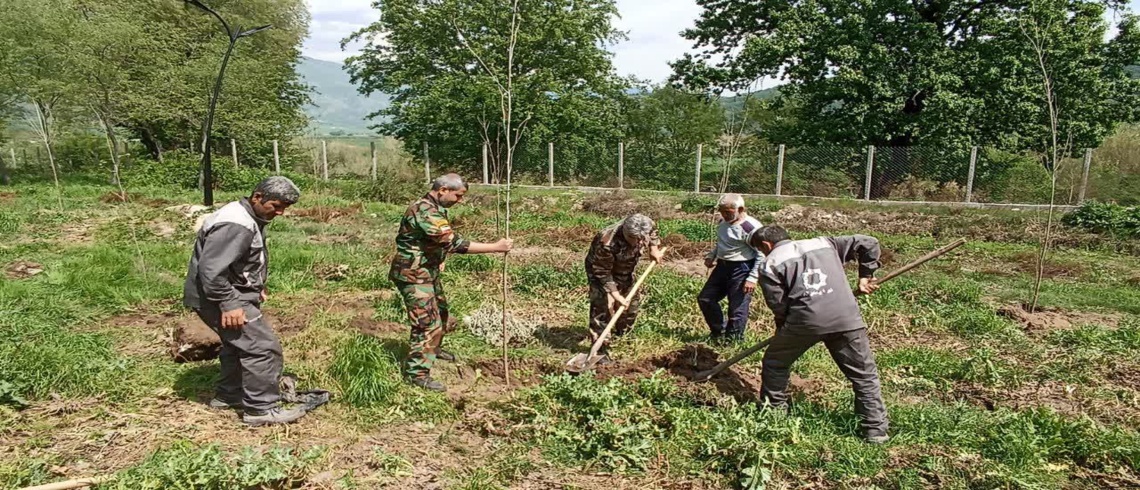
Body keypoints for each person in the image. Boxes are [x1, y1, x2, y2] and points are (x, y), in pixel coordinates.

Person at [183, 176, 306, 426]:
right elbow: (212, 271)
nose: (281, 212)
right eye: (276, 205)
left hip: (226, 293)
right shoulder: (236, 223)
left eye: (286, 207)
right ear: (257, 197)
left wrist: (254, 287)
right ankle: (261, 409)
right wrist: (230, 303)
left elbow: (237, 262)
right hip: (218, 297)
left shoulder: (247, 215)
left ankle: (230, 395)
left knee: (237, 345)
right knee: (262, 348)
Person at [750, 225, 890, 444]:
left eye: (762, 250)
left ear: (766, 246)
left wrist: (784, 332)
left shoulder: (770, 263)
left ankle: (775, 416)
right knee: (864, 375)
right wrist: (866, 276)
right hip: (846, 318)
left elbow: (779, 305)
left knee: (775, 363)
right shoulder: (825, 243)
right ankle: (875, 431)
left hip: (804, 322)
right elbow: (869, 242)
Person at [391, 173, 512, 392]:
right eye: (458, 195)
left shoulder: (436, 208)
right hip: (413, 274)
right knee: (427, 322)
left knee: (442, 313)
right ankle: (417, 373)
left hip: (427, 271)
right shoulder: (425, 211)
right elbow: (453, 243)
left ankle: (433, 349)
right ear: (442, 190)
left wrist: (440, 259)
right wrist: (496, 247)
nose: (460, 200)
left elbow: (433, 242)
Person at [583, 214, 664, 362]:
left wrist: (654, 248)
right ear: (625, 233)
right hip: (600, 269)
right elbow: (602, 272)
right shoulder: (606, 241)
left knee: (630, 304)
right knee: (602, 305)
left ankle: (623, 333)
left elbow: (652, 233)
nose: (639, 243)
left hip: (626, 268)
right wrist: (615, 294)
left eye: (642, 239)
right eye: (635, 239)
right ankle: (600, 346)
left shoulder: (646, 224)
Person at [698, 193, 764, 344]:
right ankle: (718, 333)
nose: (724, 215)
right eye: (722, 211)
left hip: (742, 268)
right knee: (706, 299)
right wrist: (712, 255)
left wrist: (752, 278)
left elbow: (761, 254)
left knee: (737, 307)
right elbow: (721, 242)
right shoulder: (723, 222)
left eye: (728, 212)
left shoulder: (750, 228)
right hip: (722, 266)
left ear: (740, 209)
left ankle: (734, 341)